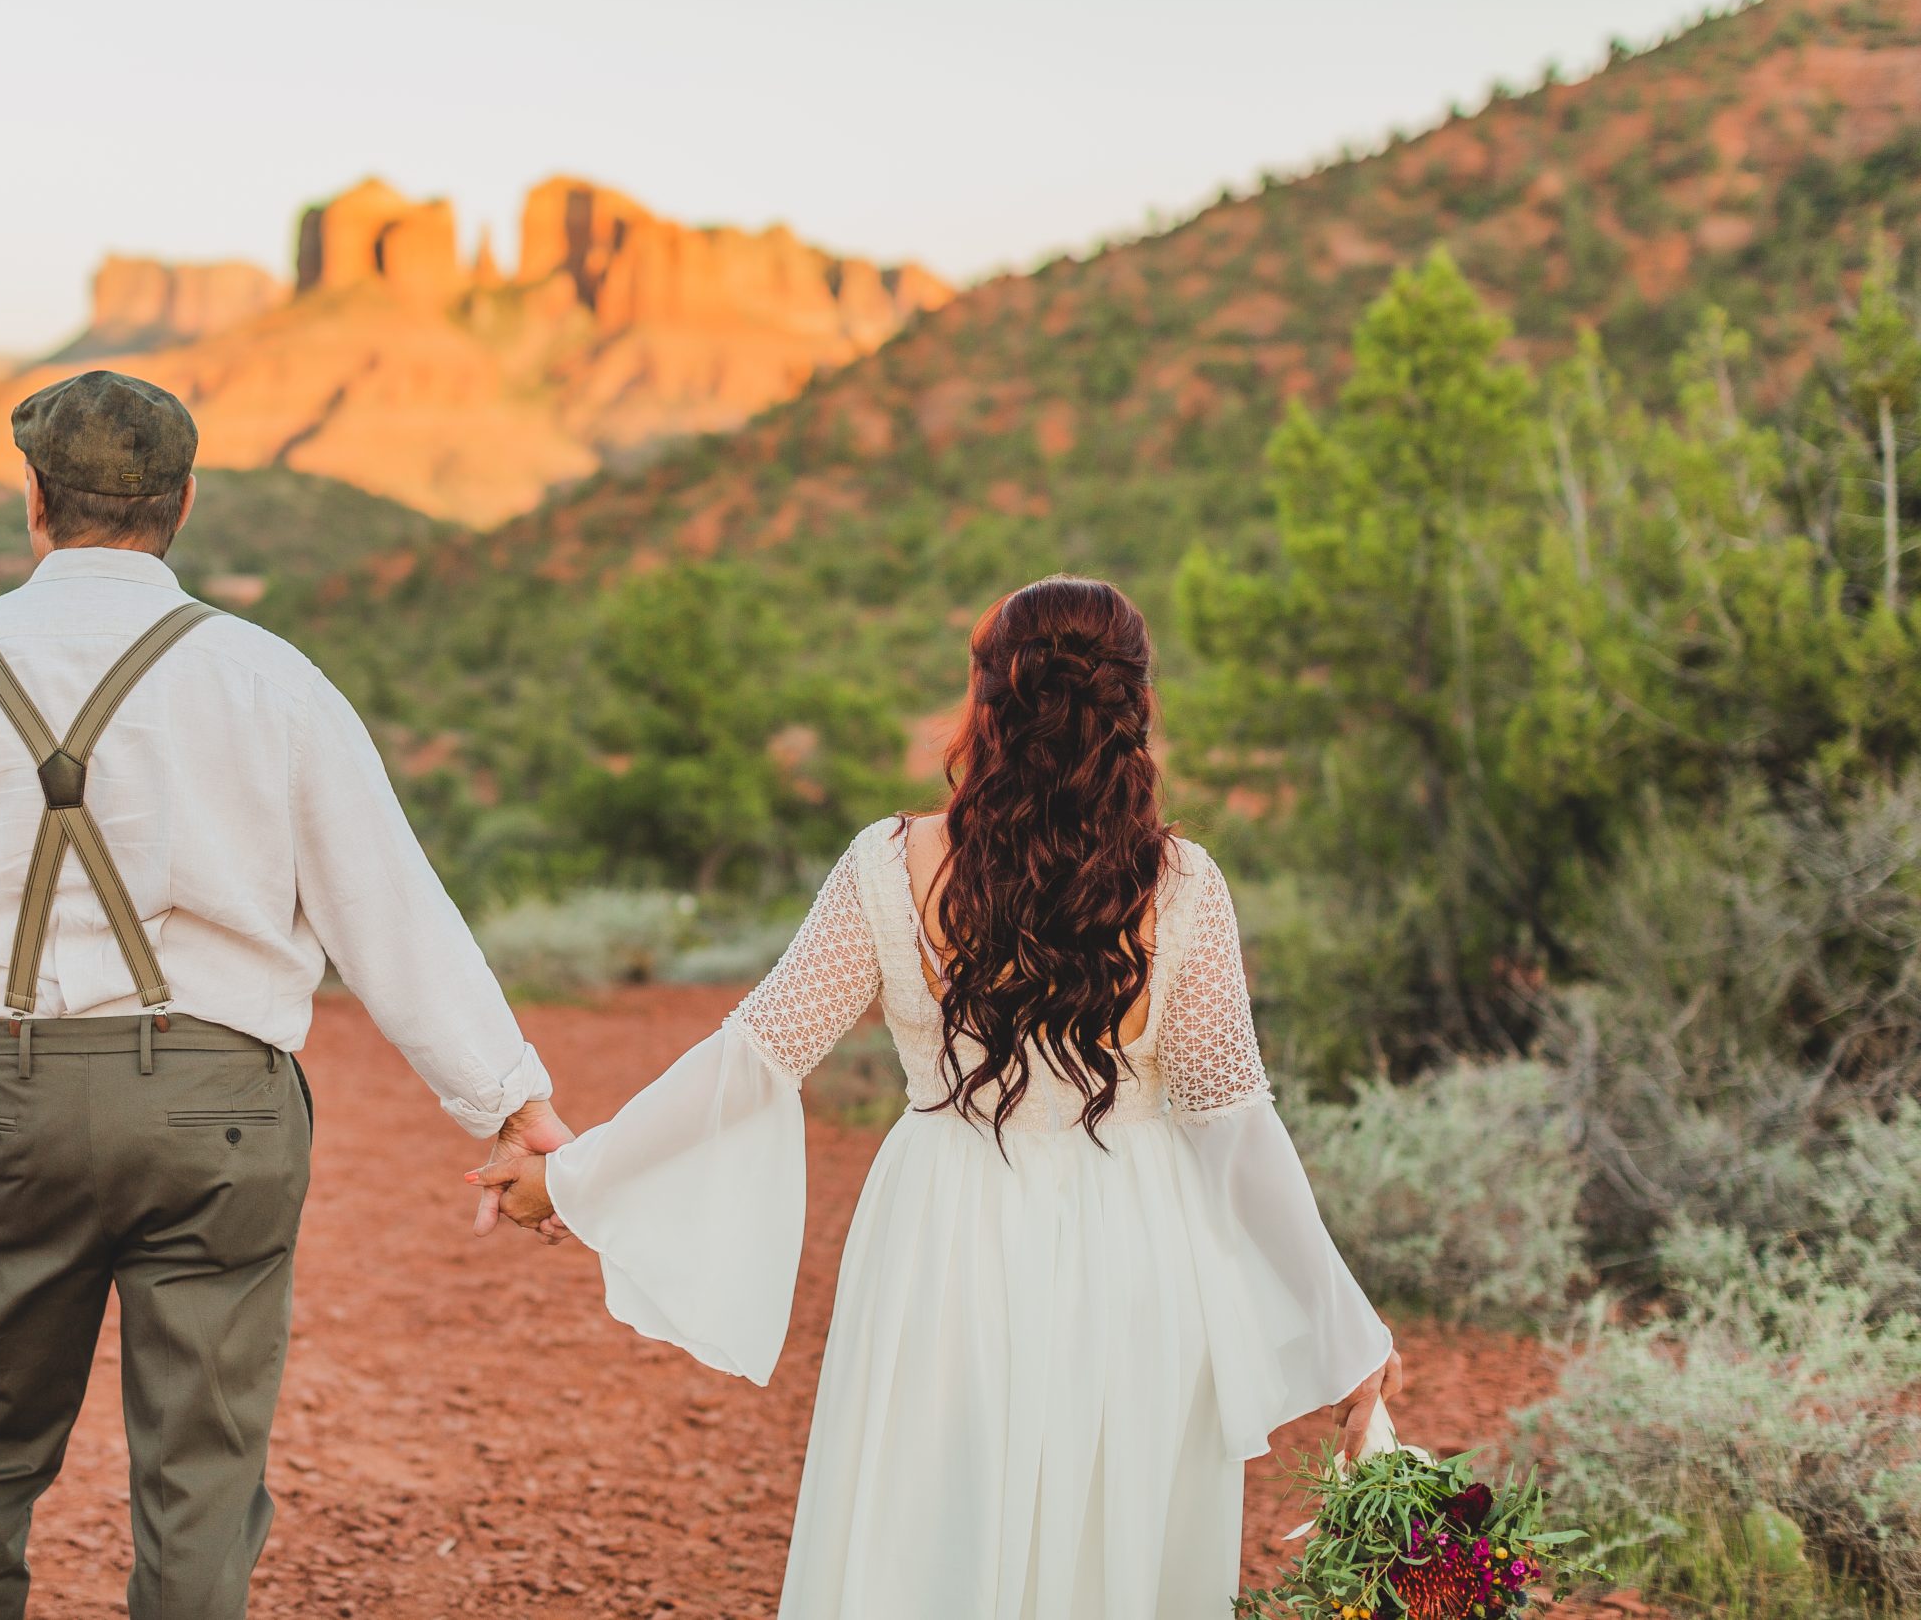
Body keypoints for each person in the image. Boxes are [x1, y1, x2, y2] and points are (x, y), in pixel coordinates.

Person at [471, 574, 1400, 1619]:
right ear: (1132, 706)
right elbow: (1234, 1126)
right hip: (1135, 1254)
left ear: (989, 700)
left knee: (927, 1545)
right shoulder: (1182, 886)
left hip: (943, 1243)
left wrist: (574, 1175)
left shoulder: (889, 863)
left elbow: (755, 1057)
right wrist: (1343, 1327)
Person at [0, 369, 566, 1620]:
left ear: (35, 501)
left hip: (20, 1091)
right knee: (201, 1481)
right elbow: (389, 910)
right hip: (227, 1108)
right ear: (183, 502)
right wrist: (504, 1099)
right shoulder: (272, 678)